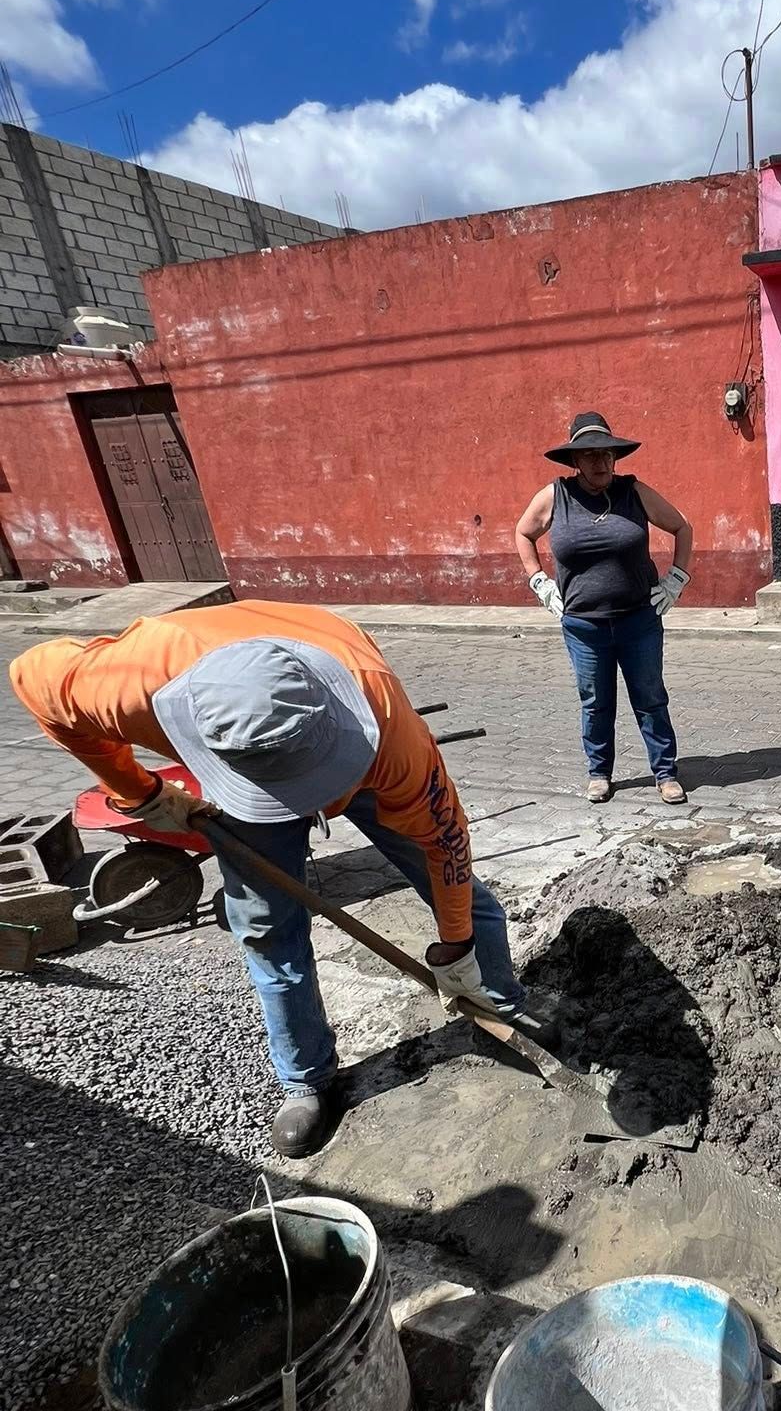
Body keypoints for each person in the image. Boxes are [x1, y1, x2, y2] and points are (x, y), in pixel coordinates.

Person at [11, 602, 523, 1158]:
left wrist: (455, 948)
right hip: (245, 784)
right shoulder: (127, 685)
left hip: (363, 756)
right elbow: (32, 679)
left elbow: (445, 845)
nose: (314, 806)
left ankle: (499, 1000)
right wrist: (141, 792)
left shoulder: (387, 730)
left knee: (460, 894)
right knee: (267, 931)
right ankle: (307, 1077)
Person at [515, 410, 693, 805]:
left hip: (638, 621)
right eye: (591, 455)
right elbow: (523, 533)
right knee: (596, 702)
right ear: (575, 461)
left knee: (649, 696)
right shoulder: (554, 497)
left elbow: (682, 525)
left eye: (607, 454)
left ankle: (665, 772)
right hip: (583, 626)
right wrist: (539, 581)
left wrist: (677, 579)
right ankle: (600, 773)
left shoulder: (634, 492)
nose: (601, 462)